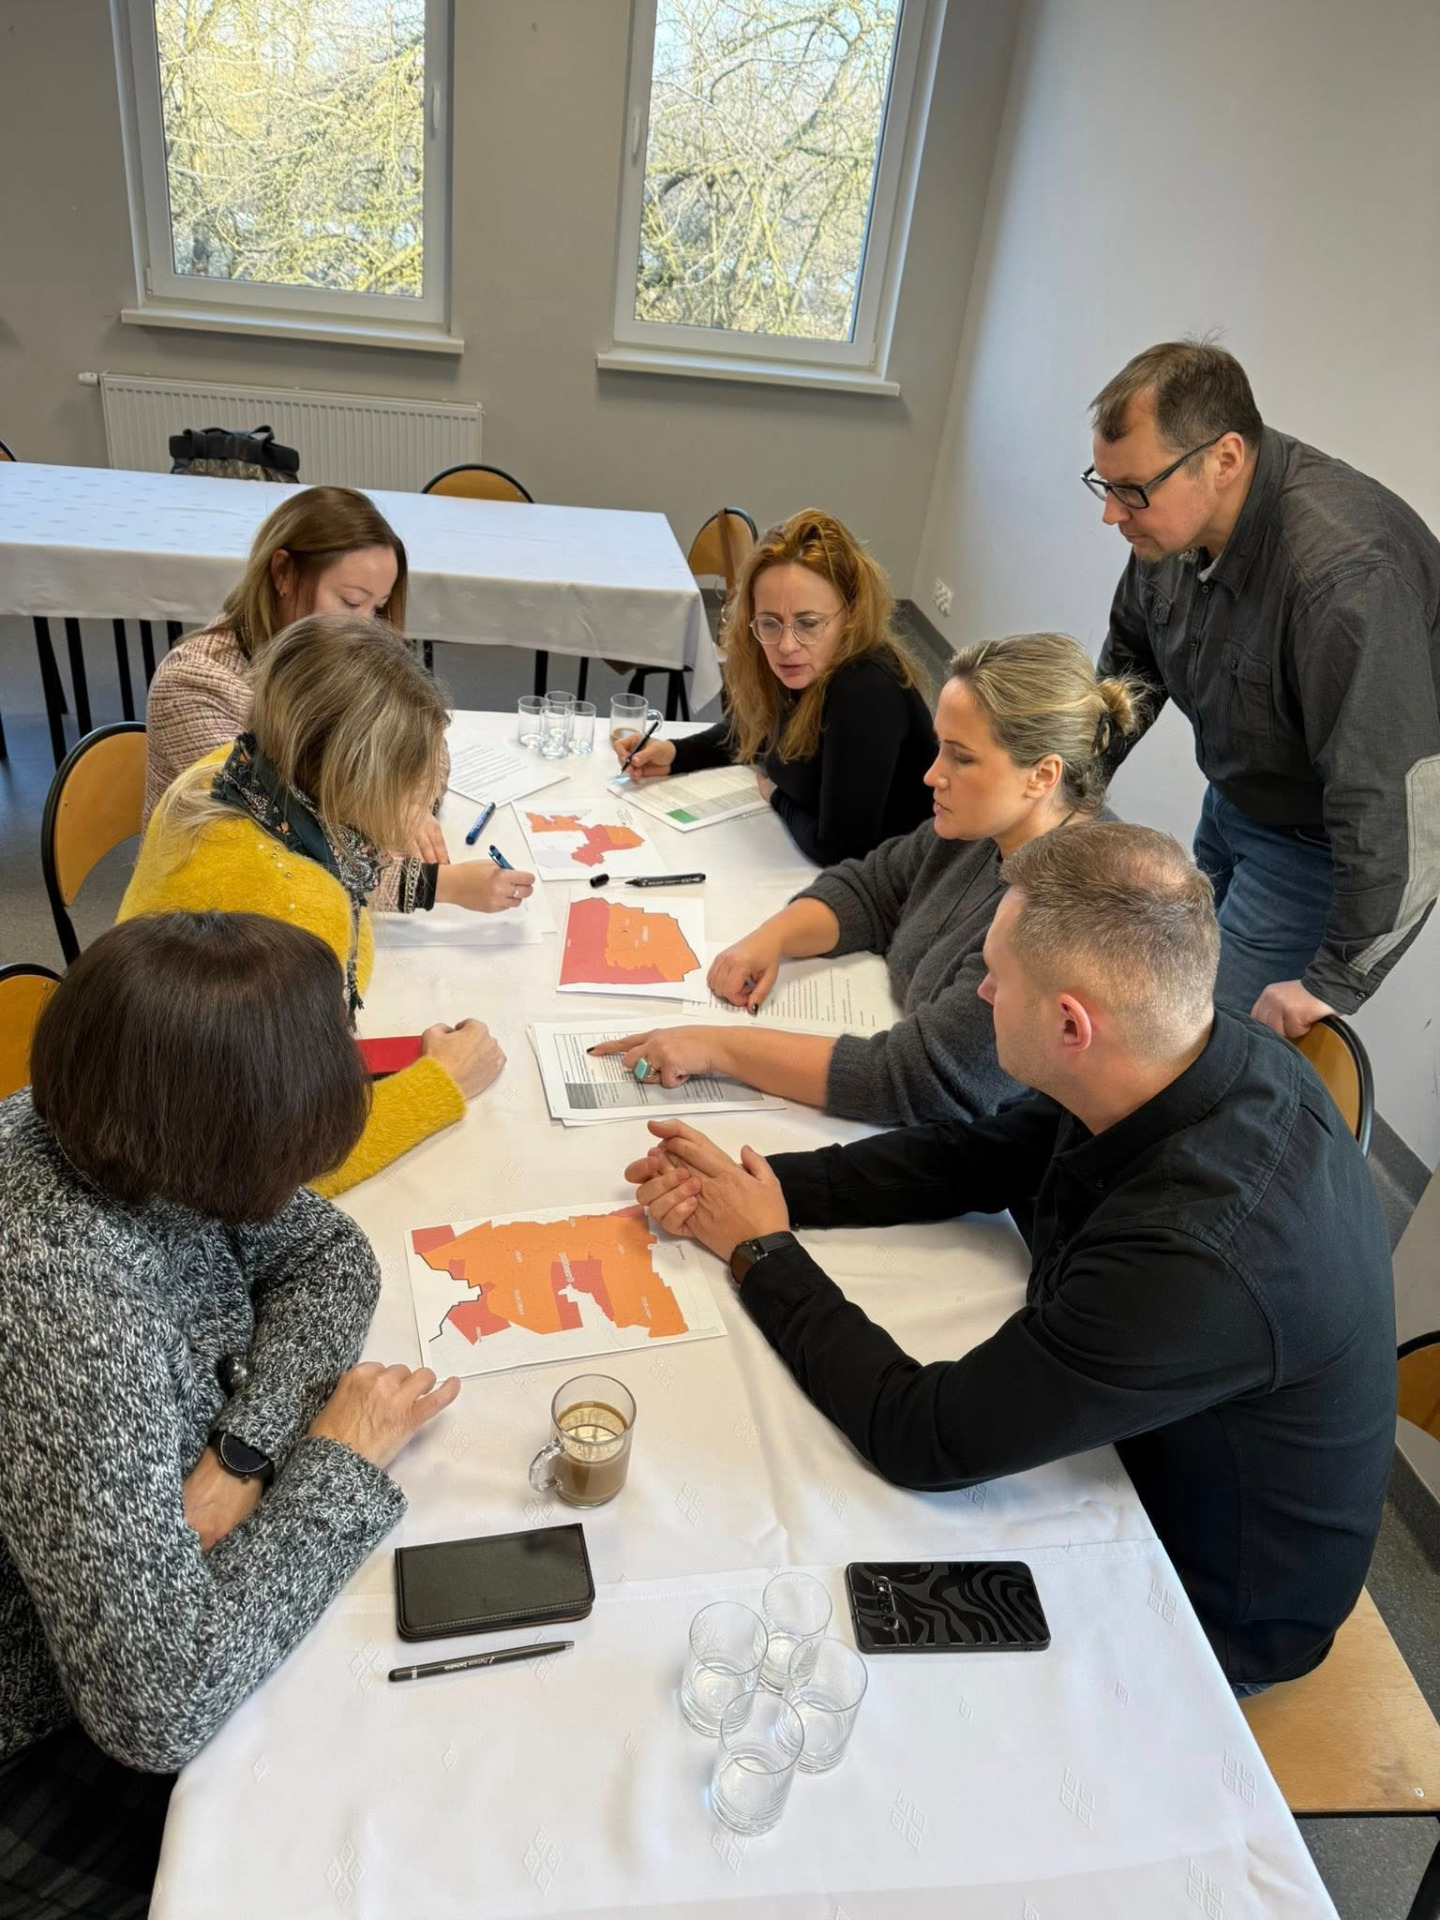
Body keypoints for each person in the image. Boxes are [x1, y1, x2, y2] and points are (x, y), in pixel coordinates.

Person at [623, 823, 1396, 1691]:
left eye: (996, 977)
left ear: (1070, 1023)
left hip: (1200, 1602)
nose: (981, 990)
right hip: (1141, 1437)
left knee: (803, 1609)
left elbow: (924, 1437)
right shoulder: (1190, 1054)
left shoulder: (1196, 1256)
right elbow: (979, 1157)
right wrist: (764, 1187)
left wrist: (761, 1251)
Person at [0, 911, 459, 1917]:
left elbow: (330, 1254)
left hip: (135, 1612)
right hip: (44, 1731)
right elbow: (160, 1705)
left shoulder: (116, 1120)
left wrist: (243, 1454)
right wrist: (335, 1461)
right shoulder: (70, 1303)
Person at [593, 633, 1139, 1125]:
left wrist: (718, 1049)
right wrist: (773, 938)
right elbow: (874, 887)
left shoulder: (1064, 916)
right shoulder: (986, 825)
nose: (932, 774)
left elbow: (917, 1081)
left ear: (1042, 775)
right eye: (941, 747)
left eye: (961, 758)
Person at [1088, 339, 1440, 1039]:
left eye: (1133, 490)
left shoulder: (1344, 582)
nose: (1112, 514)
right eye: (1105, 486)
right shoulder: (1171, 532)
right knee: (1174, 987)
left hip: (1314, 851)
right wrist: (1073, 786)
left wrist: (1332, 980)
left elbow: (1397, 799)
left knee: (1193, 1047)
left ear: (1224, 459)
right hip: (1234, 798)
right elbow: (1132, 662)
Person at [120, 615, 530, 1194]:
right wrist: (442, 1083)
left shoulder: (224, 773)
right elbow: (285, 1168)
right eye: (416, 784)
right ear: (355, 778)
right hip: (182, 1167)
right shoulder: (297, 904)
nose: (425, 805)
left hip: (150, 1084)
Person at [142, 483, 453, 910]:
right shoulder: (195, 684)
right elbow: (287, 841)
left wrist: (412, 802)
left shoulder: (336, 660)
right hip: (215, 917)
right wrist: (433, 883)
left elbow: (429, 744)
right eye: (350, 602)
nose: (365, 627)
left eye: (378, 608)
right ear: (283, 573)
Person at [613, 508, 935, 865]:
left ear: (851, 616)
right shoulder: (804, 663)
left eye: (808, 623)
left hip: (906, 881)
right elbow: (758, 733)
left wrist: (776, 796)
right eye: (769, 622)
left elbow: (839, 850)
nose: (785, 645)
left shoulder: (864, 687)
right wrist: (676, 753)